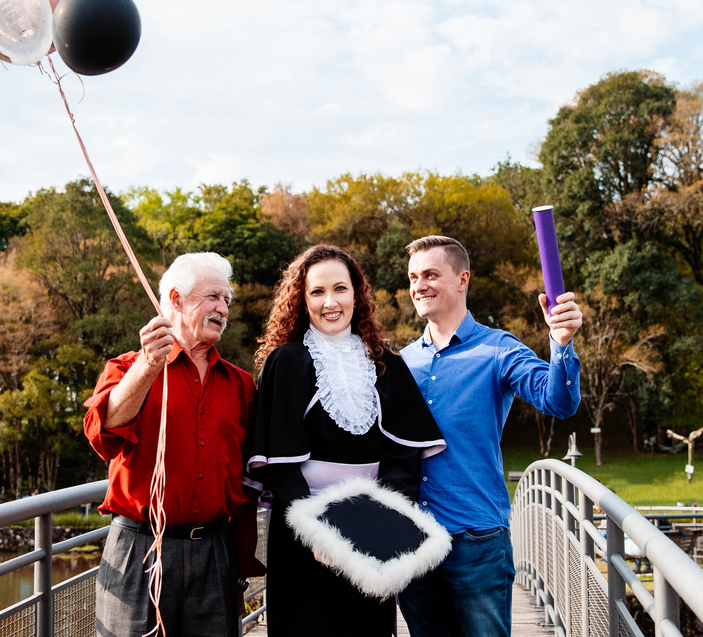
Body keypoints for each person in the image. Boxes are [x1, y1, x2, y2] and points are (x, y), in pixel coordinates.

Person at [247, 244, 446, 637]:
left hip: (370, 525)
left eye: (339, 288)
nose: (330, 302)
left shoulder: (385, 360)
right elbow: (280, 463)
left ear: (356, 293)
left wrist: (382, 525)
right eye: (317, 292)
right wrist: (319, 531)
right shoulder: (286, 360)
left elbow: (403, 459)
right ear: (302, 300)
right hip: (304, 532)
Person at [397, 235, 583, 637]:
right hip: (413, 540)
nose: (419, 285)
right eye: (413, 277)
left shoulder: (498, 349)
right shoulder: (402, 362)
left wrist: (561, 345)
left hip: (476, 539)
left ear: (462, 279)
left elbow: (559, 402)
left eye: (431, 274)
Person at [84, 252, 262, 637]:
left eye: (227, 301)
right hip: (139, 549)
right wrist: (148, 365)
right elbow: (103, 432)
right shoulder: (129, 367)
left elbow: (251, 474)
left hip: (214, 551)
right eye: (213, 297)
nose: (223, 308)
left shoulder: (241, 384)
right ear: (177, 300)